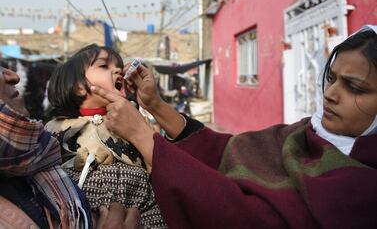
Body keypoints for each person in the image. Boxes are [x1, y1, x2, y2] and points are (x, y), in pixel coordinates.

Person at [91, 25, 377, 229]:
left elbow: (243, 217)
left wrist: (144, 137)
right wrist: (156, 105)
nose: (330, 93)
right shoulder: (304, 134)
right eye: (332, 77)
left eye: (354, 87)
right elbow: (225, 150)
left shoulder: (362, 189)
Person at [0, 66, 143, 229]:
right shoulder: (56, 132)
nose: (13, 76)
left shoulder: (37, 152)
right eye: (103, 65)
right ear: (79, 88)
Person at [45, 44, 167, 228]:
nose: (117, 69)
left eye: (117, 66)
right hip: (83, 211)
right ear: (79, 87)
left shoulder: (133, 120)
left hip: (142, 206)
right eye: (104, 66)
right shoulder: (56, 128)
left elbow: (157, 160)